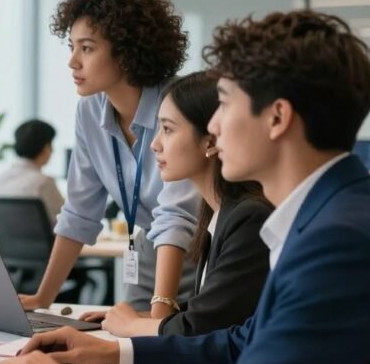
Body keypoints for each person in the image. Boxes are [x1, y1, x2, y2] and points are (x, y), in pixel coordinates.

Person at [0, 10, 370, 364]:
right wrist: (115, 350)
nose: (211, 125)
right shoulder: (341, 213)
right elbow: (244, 342)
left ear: (277, 117)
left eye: (224, 103)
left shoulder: (342, 244)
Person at [19, 0, 200, 316]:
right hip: (147, 250)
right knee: (129, 352)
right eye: (72, 47)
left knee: (176, 349)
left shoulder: (178, 103)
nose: (73, 62)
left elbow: (177, 216)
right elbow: (79, 212)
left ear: (128, 52)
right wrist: (43, 298)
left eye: (86, 48)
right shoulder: (90, 111)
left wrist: (158, 318)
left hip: (203, 252)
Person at [80, 71, 272, 337]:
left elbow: (205, 329)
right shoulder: (216, 211)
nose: (154, 145)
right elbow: (212, 311)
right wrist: (142, 318)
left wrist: (134, 326)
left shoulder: (249, 217)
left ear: (211, 140)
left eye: (168, 129)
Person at [0, 119, 65, 224]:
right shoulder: (44, 182)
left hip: (1, 241)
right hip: (40, 240)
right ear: (46, 148)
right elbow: (66, 223)